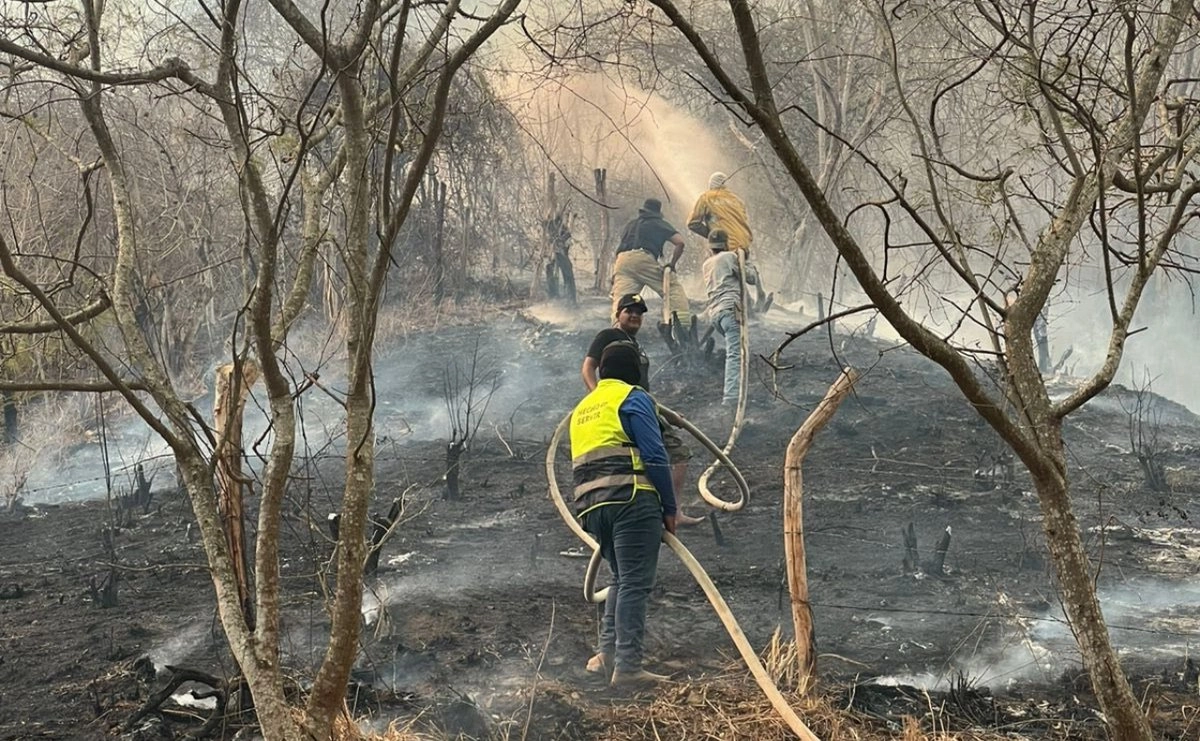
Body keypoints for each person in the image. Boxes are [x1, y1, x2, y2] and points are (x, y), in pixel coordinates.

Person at [570, 342, 675, 687]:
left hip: (591, 508)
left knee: (619, 578)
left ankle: (608, 656)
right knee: (634, 582)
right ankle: (628, 666)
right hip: (631, 500)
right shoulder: (632, 397)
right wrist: (670, 506)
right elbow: (656, 455)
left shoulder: (584, 407)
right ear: (636, 372)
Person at [582, 293, 704, 527]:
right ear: (617, 314)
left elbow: (641, 390)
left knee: (677, 453)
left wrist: (669, 415)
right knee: (662, 453)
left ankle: (671, 510)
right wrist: (597, 395)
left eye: (639, 313)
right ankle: (661, 511)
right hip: (622, 407)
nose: (635, 315)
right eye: (629, 311)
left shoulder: (636, 346)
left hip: (640, 405)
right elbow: (588, 366)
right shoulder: (608, 335)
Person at [688, 172, 767, 307]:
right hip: (744, 242)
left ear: (711, 185)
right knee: (741, 271)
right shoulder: (737, 200)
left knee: (724, 276)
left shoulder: (707, 197)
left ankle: (726, 306)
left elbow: (692, 223)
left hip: (725, 244)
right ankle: (755, 294)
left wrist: (713, 235)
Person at [610, 198, 691, 326]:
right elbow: (680, 242)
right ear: (658, 213)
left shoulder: (631, 224)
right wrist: (672, 264)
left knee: (622, 300)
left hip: (622, 261)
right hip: (642, 258)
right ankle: (683, 326)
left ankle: (617, 332)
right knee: (673, 288)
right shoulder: (658, 223)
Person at [703, 230, 758, 405]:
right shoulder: (729, 257)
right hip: (732, 307)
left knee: (735, 350)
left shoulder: (706, 264)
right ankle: (732, 396)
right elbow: (751, 278)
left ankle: (736, 391)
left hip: (715, 314)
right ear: (726, 244)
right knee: (736, 353)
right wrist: (746, 260)